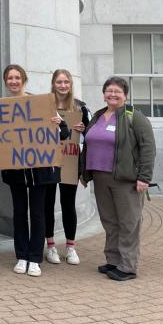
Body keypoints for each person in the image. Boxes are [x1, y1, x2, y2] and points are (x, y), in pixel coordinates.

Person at [82, 76, 155, 281]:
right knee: (110, 221)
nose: (112, 95)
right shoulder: (97, 116)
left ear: (125, 95)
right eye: (109, 91)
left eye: (117, 91)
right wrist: (84, 172)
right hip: (100, 177)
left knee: (128, 222)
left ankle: (128, 266)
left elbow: (148, 148)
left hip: (126, 179)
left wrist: (144, 177)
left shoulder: (134, 117)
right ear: (104, 93)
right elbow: (88, 143)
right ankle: (113, 260)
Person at [0, 64, 65, 277]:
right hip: (16, 170)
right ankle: (22, 255)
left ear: (24, 79)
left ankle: (35, 257)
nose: (14, 81)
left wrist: (59, 124)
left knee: (37, 214)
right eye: (10, 78)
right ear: (5, 81)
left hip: (40, 170)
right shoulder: (1, 107)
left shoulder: (42, 103)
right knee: (19, 214)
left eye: (17, 77)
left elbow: (62, 133)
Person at [44, 68, 90, 266]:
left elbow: (91, 136)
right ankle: (51, 246)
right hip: (48, 161)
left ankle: (70, 247)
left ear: (71, 85)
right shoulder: (44, 105)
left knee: (68, 204)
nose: (63, 85)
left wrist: (84, 129)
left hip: (70, 161)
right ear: (53, 84)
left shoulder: (80, 108)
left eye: (66, 82)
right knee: (47, 204)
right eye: (59, 82)